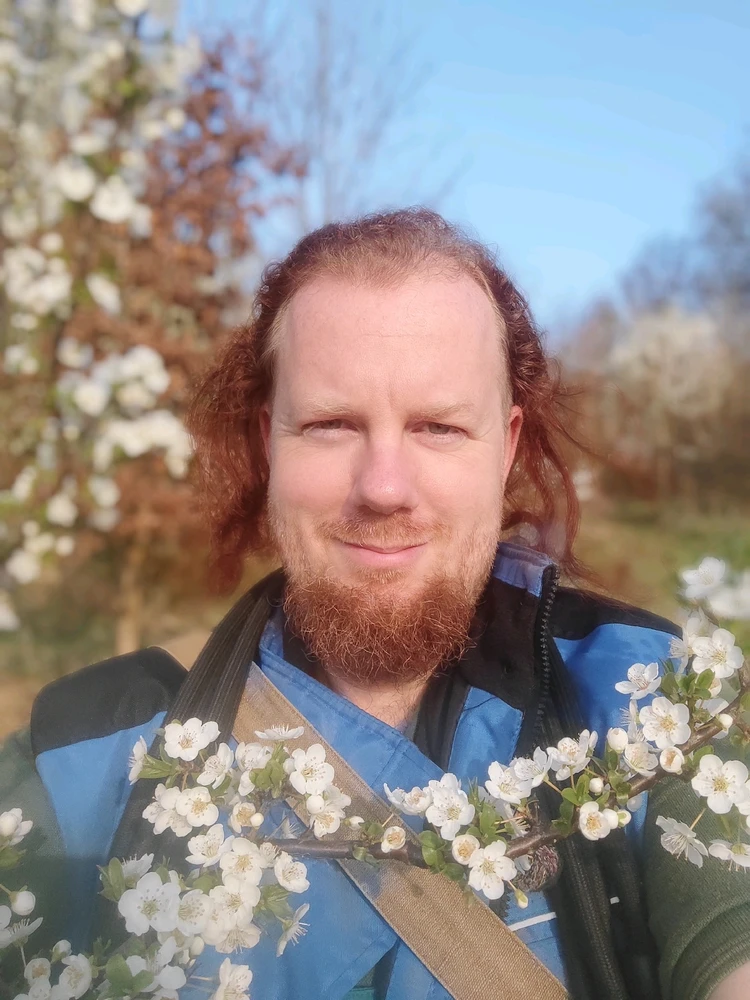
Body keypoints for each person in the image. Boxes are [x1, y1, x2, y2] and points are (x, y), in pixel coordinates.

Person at [2, 208, 750, 1000]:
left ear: (505, 448)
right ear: (270, 442)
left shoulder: (652, 706)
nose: (384, 487)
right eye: (330, 425)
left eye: (439, 427)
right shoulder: (81, 764)